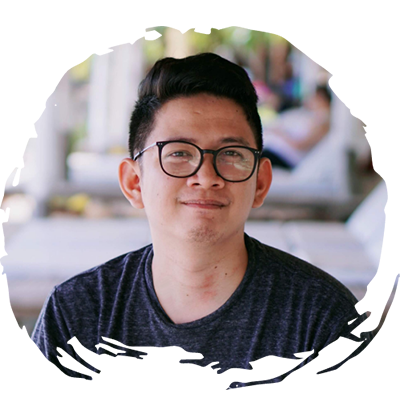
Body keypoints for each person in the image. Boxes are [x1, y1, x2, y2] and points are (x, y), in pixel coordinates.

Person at [31, 53, 372, 390]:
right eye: (179, 153)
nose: (206, 177)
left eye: (231, 154)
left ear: (260, 183)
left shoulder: (323, 320)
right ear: (134, 183)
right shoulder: (75, 314)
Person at [261, 85, 332, 170]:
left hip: (289, 158)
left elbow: (301, 145)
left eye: (315, 97)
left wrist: (280, 134)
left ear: (322, 99)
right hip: (280, 152)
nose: (311, 100)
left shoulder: (323, 121)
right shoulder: (312, 116)